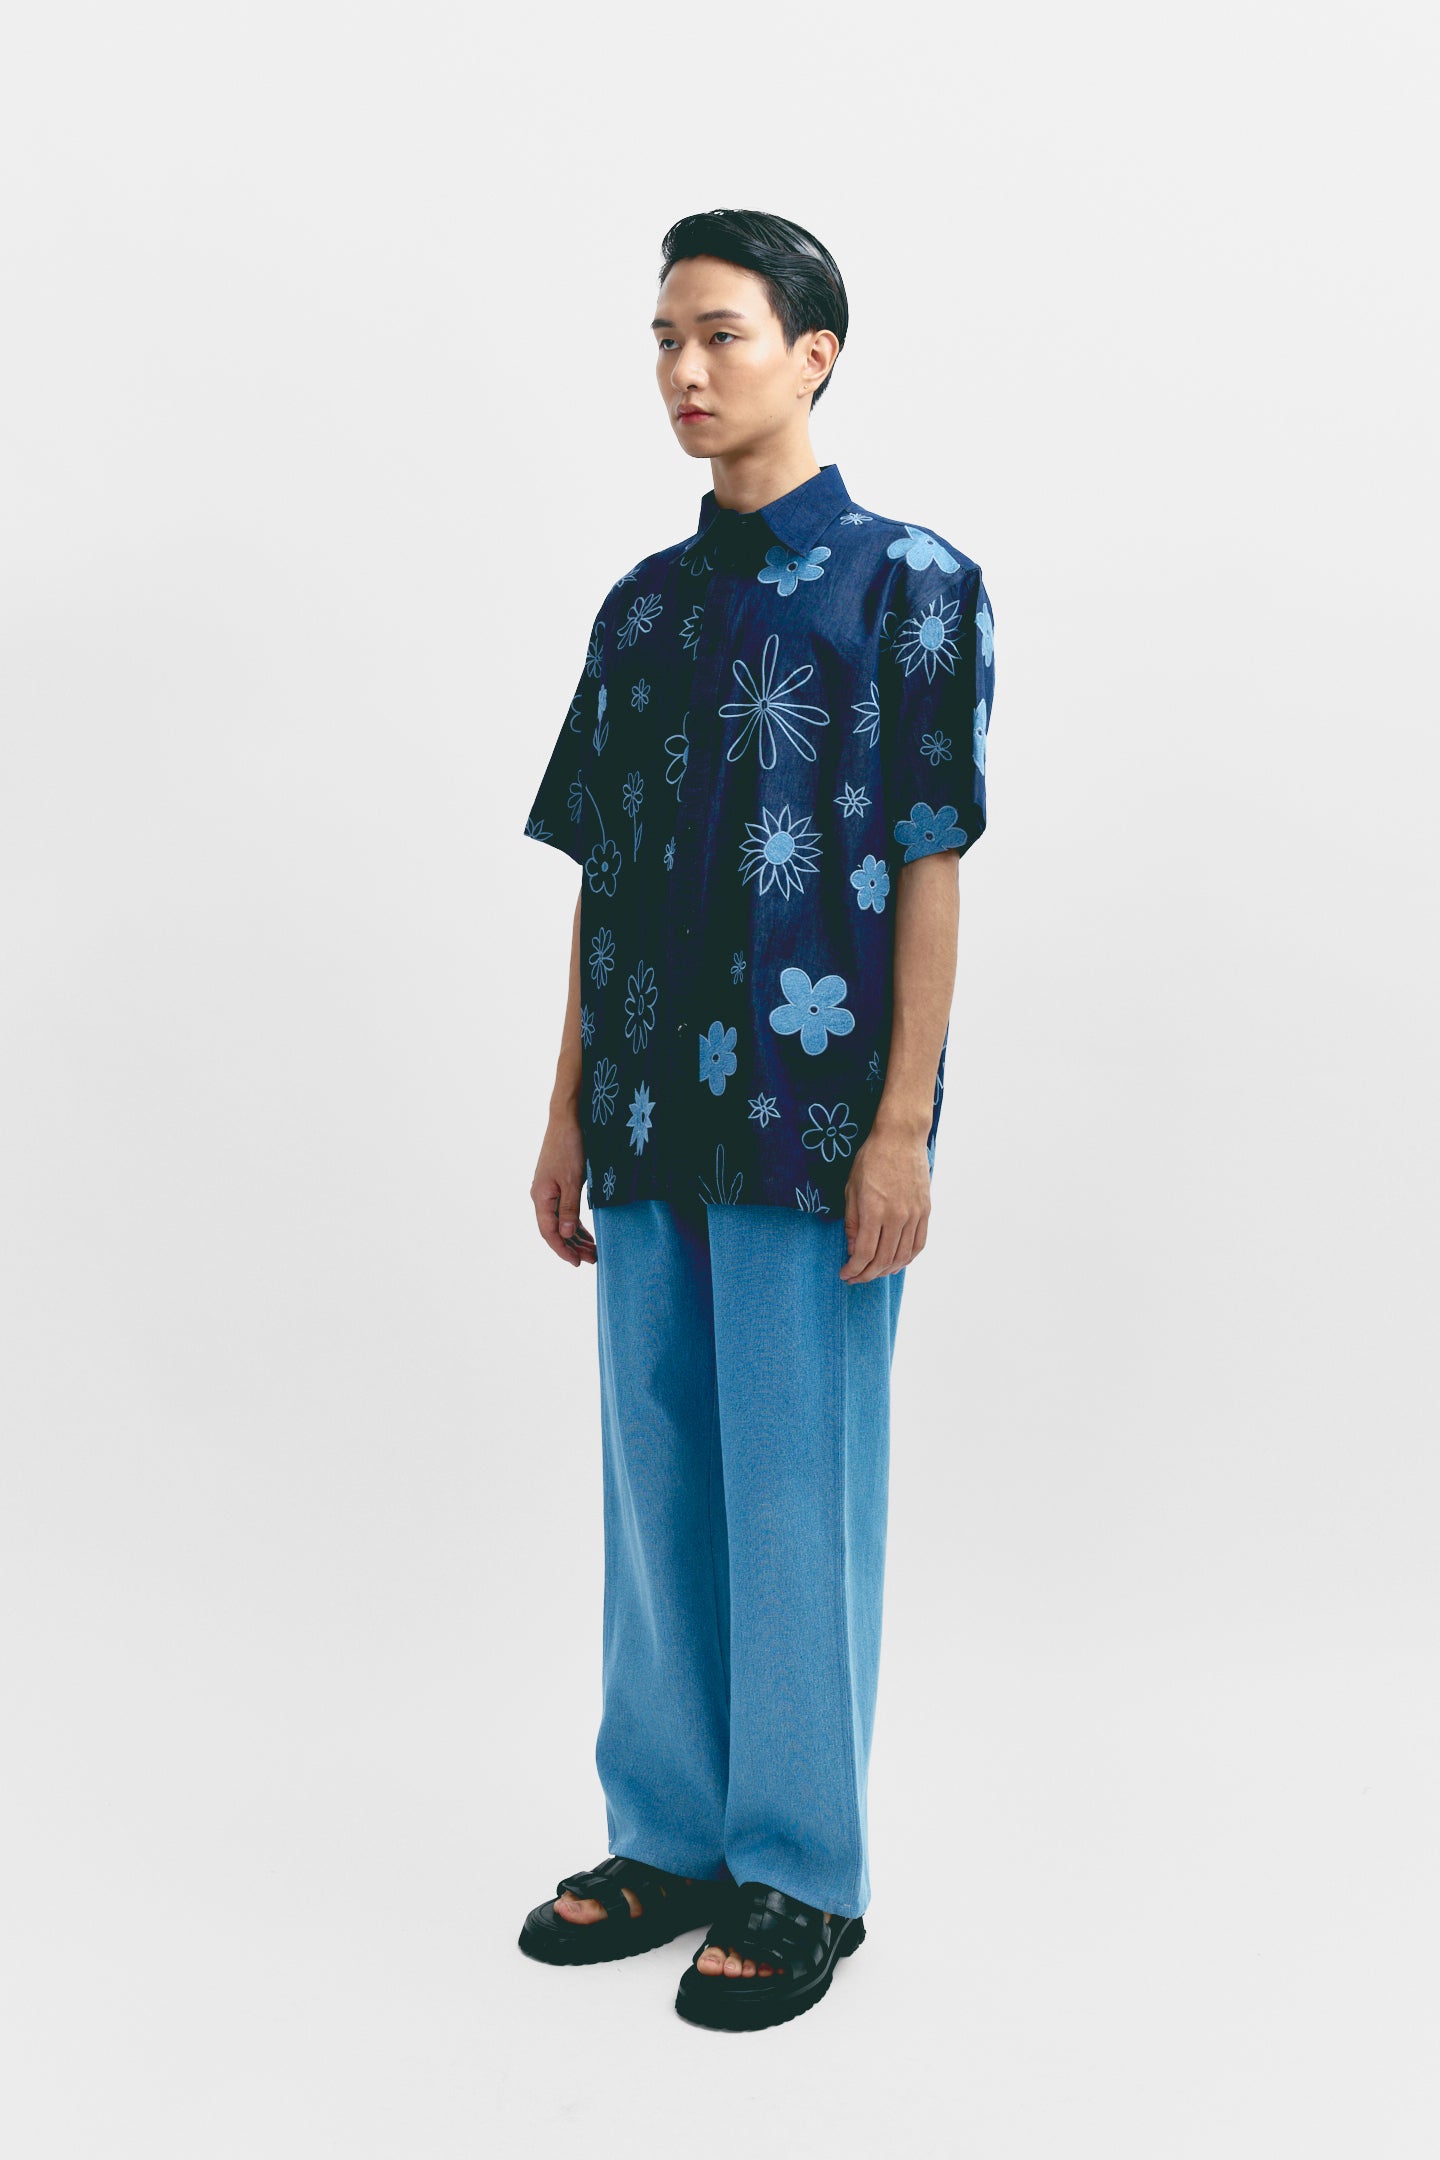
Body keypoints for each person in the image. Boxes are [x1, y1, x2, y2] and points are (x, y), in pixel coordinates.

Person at [516, 207, 996, 2034]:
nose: (684, 370)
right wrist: (564, 1107)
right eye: (662, 338)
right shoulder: (641, 608)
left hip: (813, 1114)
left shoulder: (914, 586)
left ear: (815, 352)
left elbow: (929, 858)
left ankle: (801, 1872)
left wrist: (905, 1125)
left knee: (796, 1484)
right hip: (647, 1102)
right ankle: (668, 1836)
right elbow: (603, 870)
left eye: (718, 333)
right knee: (656, 1478)